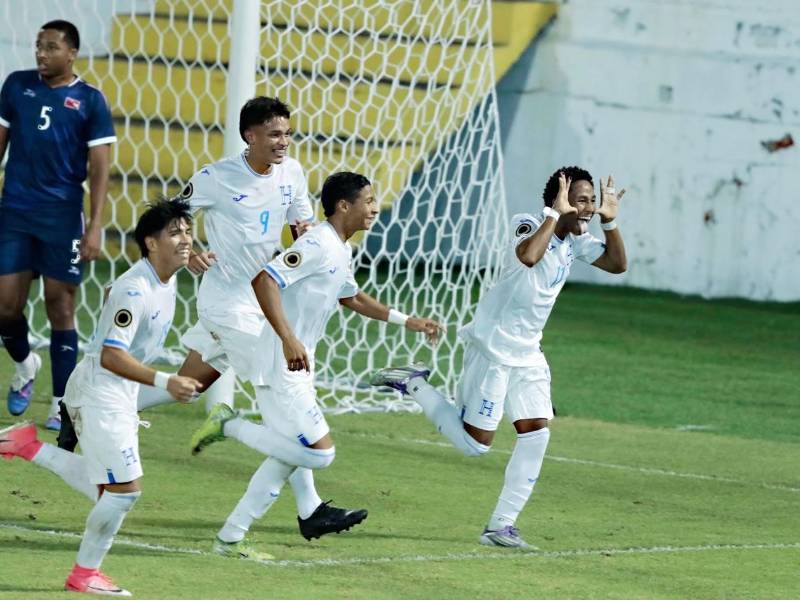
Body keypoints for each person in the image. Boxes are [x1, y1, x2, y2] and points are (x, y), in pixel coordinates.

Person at [135, 96, 366, 548]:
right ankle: (308, 507)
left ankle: (87, 405)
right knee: (282, 394)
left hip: (265, 299)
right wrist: (189, 250)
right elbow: (171, 216)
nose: (283, 142)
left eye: (287, 133)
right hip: (226, 304)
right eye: (274, 134)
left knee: (189, 383)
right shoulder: (216, 177)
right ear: (251, 136)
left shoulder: (293, 172)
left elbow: (302, 224)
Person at [370, 167, 628, 549]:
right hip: (492, 348)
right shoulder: (527, 224)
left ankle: (501, 526)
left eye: (593, 200)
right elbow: (528, 257)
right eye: (582, 199)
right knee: (476, 445)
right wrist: (554, 215)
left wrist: (610, 223)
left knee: (537, 433)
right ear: (560, 199)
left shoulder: (578, 239)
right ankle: (414, 384)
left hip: (528, 353)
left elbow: (617, 264)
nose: (589, 208)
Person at [190, 171, 443, 558]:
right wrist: (289, 339)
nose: (375, 207)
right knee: (319, 453)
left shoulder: (340, 247)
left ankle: (231, 537)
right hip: (282, 363)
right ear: (344, 206)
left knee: (286, 457)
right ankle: (230, 424)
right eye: (369, 200)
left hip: (298, 365)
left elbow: (352, 298)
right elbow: (264, 280)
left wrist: (407, 321)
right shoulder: (318, 244)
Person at [0, 198, 202, 596]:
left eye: (187, 231)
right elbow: (112, 355)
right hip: (102, 391)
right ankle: (84, 574)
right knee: (124, 492)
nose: (185, 240)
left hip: (113, 390)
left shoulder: (161, 276)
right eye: (174, 233)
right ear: (150, 243)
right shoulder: (136, 288)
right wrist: (165, 382)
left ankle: (26, 446)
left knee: (110, 490)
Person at [0, 20, 115, 444]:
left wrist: (96, 224)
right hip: (14, 210)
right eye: (38, 45)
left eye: (51, 47)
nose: (41, 53)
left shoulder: (89, 101)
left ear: (72, 54)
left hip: (62, 215)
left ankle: (63, 402)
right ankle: (26, 362)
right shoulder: (16, 86)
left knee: (59, 304)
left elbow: (100, 167)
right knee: (5, 307)